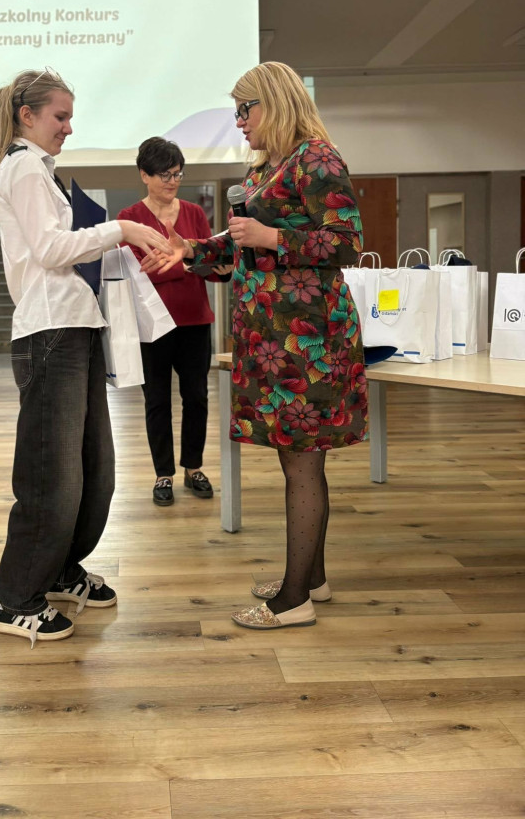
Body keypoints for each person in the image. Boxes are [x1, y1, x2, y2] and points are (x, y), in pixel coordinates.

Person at [144, 62, 367, 630]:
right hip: (277, 338)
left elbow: (347, 242)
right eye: (236, 111)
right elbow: (240, 244)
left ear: (275, 101)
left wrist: (273, 236)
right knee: (302, 460)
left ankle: (293, 600)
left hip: (308, 341)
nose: (239, 121)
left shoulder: (317, 157)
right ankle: (312, 578)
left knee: (302, 462)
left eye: (246, 109)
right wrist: (192, 251)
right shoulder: (272, 166)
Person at [0, 68, 170, 646]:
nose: (68, 127)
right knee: (51, 477)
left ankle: (61, 570)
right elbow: (51, 249)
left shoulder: (42, 172)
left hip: (75, 328)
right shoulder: (22, 167)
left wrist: (116, 243)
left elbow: (61, 251)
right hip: (49, 334)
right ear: (27, 116)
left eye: (69, 117)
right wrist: (122, 229)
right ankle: (14, 598)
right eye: (59, 116)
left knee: (95, 471)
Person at [117, 137, 232, 507]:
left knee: (196, 397)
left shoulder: (195, 213)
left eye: (178, 174)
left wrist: (196, 264)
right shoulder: (129, 218)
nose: (172, 181)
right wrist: (186, 263)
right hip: (151, 325)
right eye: (165, 175)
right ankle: (163, 473)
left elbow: (209, 262)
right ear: (144, 175)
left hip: (195, 320)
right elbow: (136, 274)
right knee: (156, 400)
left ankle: (193, 467)